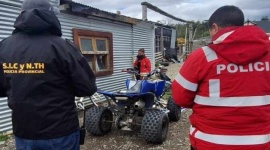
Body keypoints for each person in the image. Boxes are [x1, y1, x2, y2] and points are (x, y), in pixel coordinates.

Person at [0, 0, 97, 149]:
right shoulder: (63, 47)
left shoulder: (4, 47)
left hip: (23, 131)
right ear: (50, 16)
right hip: (59, 132)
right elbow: (87, 88)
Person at [172, 5, 270, 150]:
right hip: (261, 143)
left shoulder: (202, 57)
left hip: (209, 144)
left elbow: (180, 98)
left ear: (215, 27)